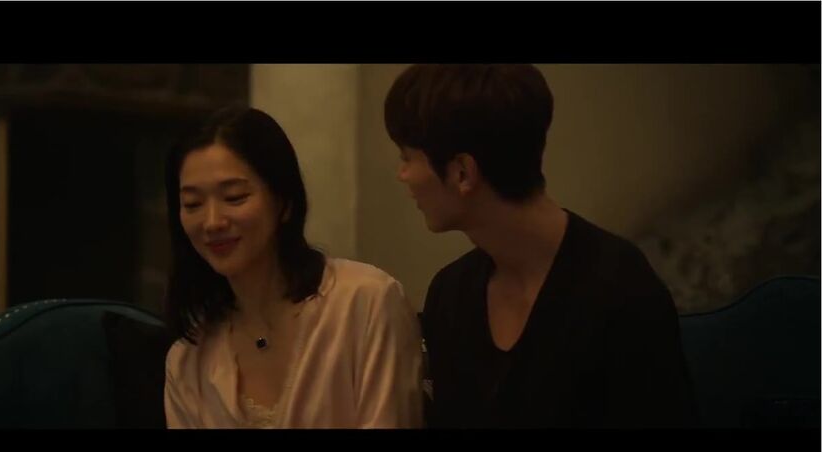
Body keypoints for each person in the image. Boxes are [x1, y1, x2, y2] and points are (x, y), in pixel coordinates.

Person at [384, 64, 698, 428]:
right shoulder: (452, 294)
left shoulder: (620, 292)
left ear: (462, 173)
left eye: (407, 157)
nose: (402, 175)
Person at [163, 103, 423, 428]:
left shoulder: (365, 303)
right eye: (193, 204)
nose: (212, 222)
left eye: (234, 197)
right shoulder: (188, 359)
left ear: (283, 201)